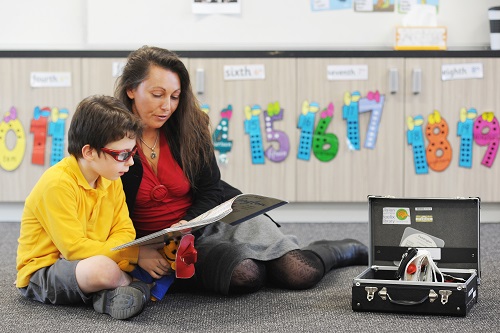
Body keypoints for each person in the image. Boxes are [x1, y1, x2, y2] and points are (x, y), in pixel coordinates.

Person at [116, 45, 368, 295]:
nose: (167, 107)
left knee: (299, 272)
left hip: (212, 221)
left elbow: (211, 189)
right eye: (157, 94)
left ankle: (335, 250)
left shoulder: (189, 126)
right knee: (247, 275)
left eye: (174, 96)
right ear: (131, 89)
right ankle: (259, 259)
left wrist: (188, 223)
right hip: (164, 244)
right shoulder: (111, 139)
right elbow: (104, 213)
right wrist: (138, 252)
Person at [16, 95, 155, 320]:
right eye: (122, 154)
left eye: (132, 153)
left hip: (87, 260)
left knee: (105, 265)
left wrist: (111, 249)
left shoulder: (112, 178)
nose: (130, 162)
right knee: (102, 269)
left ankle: (108, 295)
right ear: (89, 152)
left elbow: (125, 231)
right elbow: (74, 249)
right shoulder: (57, 183)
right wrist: (131, 254)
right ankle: (134, 285)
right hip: (45, 271)